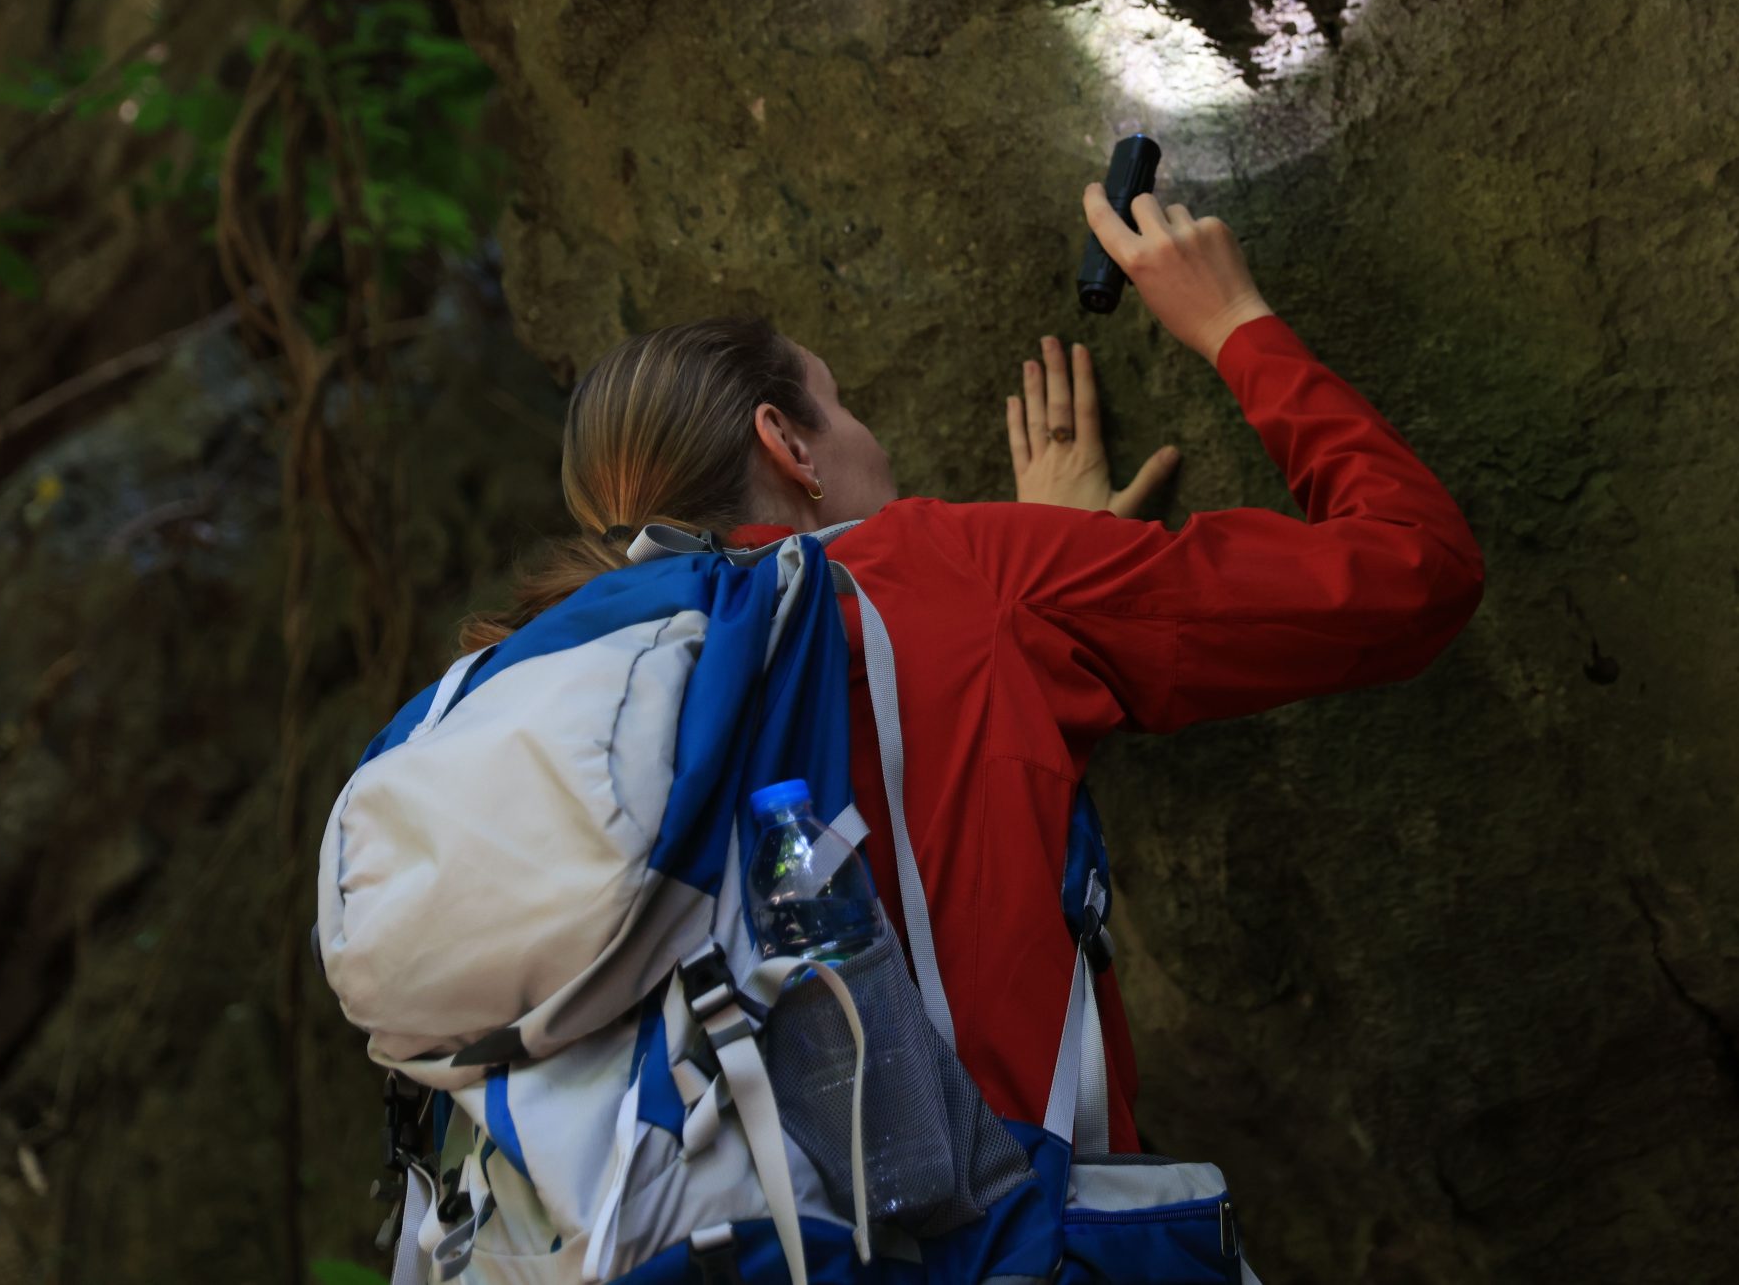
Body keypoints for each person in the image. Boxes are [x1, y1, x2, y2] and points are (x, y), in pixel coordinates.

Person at [460, 183, 1484, 1152]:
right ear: (789, 446)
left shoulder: (567, 707)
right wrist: (1234, 323)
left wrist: (1039, 592)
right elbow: (1414, 573)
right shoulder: (946, 574)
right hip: (1011, 1233)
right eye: (839, 400)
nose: (866, 430)